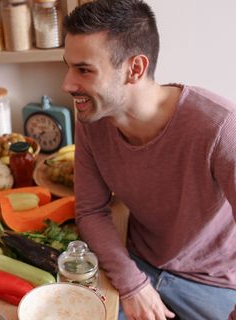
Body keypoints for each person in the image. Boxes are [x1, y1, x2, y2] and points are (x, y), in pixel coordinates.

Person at [62, 0, 236, 319]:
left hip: (215, 284)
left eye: (84, 69)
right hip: (137, 265)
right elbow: (90, 209)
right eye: (68, 66)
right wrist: (132, 283)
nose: (68, 84)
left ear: (135, 69)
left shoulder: (221, 126)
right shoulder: (92, 117)